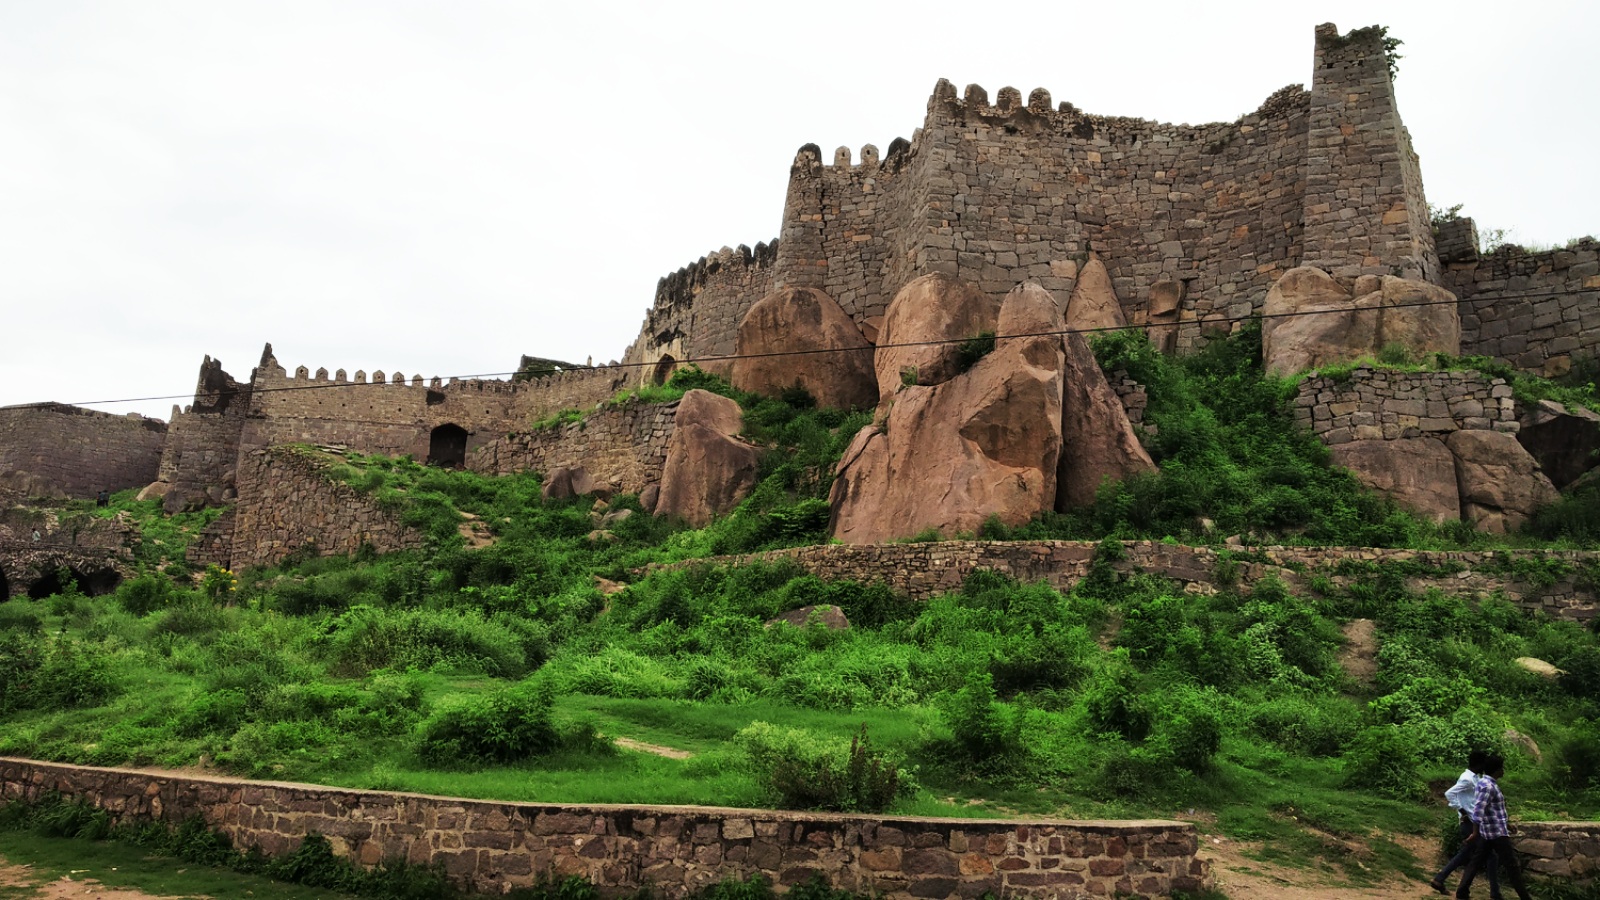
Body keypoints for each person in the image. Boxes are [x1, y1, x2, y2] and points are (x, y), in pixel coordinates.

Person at [1455, 753, 1533, 900]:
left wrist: (1507, 825)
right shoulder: (1488, 786)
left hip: (1489, 832)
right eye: (1502, 768)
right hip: (1496, 834)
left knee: (1476, 862)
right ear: (1497, 770)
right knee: (1512, 866)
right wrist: (1474, 832)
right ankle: (1525, 897)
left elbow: (1493, 811)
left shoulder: (1484, 783)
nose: (1503, 771)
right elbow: (1478, 811)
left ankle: (1462, 892)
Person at [1430, 750, 1498, 895]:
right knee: (1491, 856)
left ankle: (1440, 879)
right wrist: (1462, 811)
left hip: (1473, 821)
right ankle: (1495, 893)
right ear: (1479, 764)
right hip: (1469, 823)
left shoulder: (1474, 778)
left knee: (1466, 853)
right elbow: (1449, 793)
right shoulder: (1466, 779)